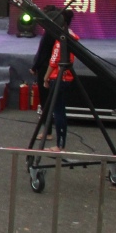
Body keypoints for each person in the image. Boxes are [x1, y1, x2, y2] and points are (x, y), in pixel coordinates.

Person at [44, 9, 77, 151]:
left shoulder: (61, 41)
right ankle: (61, 144)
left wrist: (45, 78)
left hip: (58, 79)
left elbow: (53, 61)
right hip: (66, 77)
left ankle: (59, 145)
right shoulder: (71, 36)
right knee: (60, 111)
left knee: (58, 112)